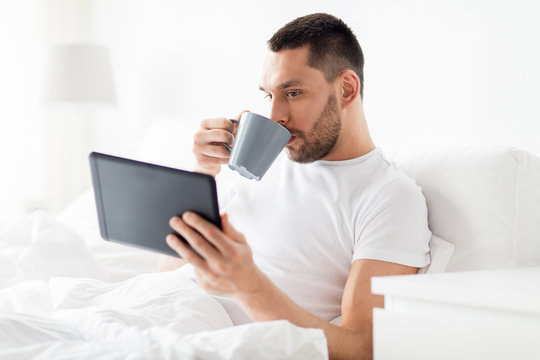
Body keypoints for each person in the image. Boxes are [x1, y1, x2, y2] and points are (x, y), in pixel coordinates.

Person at [160, 13, 431, 360]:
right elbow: (167, 271)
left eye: (293, 92)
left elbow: (361, 347)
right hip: (159, 311)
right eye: (268, 95)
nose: (275, 116)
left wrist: (246, 284)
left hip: (205, 340)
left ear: (347, 89)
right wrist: (201, 174)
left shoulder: (389, 196)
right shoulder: (260, 166)